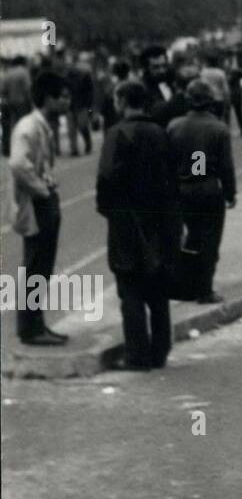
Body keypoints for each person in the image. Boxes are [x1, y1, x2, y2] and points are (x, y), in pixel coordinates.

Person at [96, 80, 175, 369]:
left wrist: (108, 209)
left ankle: (137, 354)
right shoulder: (160, 133)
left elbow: (106, 178)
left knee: (130, 287)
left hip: (126, 218)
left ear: (121, 101)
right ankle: (160, 349)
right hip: (159, 219)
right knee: (157, 287)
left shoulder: (116, 134)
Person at [9, 71, 71, 345]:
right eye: (64, 97)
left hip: (42, 200)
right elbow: (18, 164)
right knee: (36, 266)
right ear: (49, 99)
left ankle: (35, 324)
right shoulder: (29, 127)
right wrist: (42, 189)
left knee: (41, 267)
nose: (68, 102)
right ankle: (30, 328)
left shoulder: (41, 125)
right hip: (36, 205)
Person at [167, 80, 236, 305]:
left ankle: (188, 286)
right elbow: (226, 166)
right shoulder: (218, 128)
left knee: (191, 239)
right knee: (210, 239)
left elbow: (168, 162)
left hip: (182, 188)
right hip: (208, 187)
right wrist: (230, 192)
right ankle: (205, 289)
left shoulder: (175, 126)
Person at [1, 55, 32, 158]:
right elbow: (27, 89)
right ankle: (22, 148)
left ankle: (7, 149)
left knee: (7, 127)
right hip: (21, 103)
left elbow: (2, 90)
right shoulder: (23, 72)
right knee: (22, 125)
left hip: (8, 103)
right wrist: (31, 103)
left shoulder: (7, 73)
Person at [67, 52, 97, 156]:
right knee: (72, 129)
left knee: (82, 126)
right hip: (72, 105)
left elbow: (90, 91)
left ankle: (87, 142)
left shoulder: (85, 75)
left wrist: (90, 106)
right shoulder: (68, 76)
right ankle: (74, 149)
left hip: (81, 104)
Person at [199, 51, 230, 123]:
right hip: (219, 99)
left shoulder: (203, 72)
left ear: (208, 62)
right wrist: (227, 102)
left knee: (210, 120)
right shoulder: (220, 72)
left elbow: (201, 86)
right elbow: (226, 89)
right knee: (219, 119)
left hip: (208, 99)